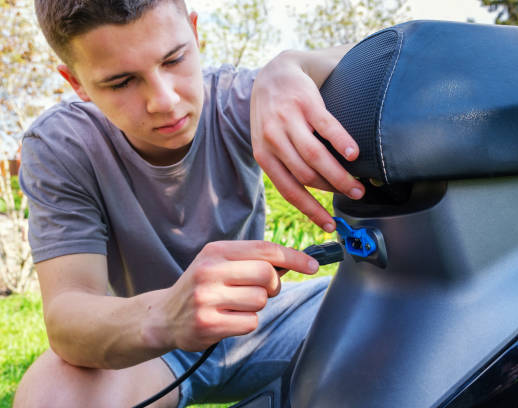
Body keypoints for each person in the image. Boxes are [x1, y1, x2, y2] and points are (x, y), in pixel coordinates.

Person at [14, 1, 365, 406]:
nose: (163, 100)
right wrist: (166, 315)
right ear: (75, 83)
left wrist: (296, 64)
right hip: (148, 344)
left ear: (194, 34)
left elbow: (405, 56)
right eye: (121, 82)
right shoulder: (62, 145)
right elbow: (66, 316)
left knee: (414, 314)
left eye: (174, 58)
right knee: (53, 397)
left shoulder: (241, 96)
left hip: (265, 319)